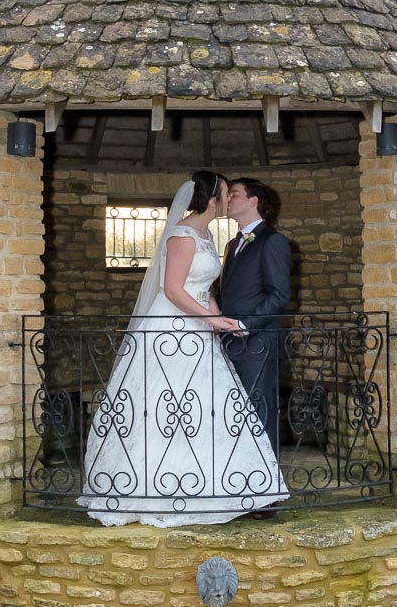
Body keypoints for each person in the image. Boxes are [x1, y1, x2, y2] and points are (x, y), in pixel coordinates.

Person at [77, 171, 289, 526]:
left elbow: (205, 290)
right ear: (212, 199)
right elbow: (174, 290)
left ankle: (221, 482)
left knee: (209, 407)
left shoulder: (209, 236)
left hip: (203, 329)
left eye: (234, 194)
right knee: (164, 402)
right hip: (172, 327)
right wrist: (214, 321)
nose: (228, 200)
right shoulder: (183, 233)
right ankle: (153, 484)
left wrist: (218, 320)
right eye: (226, 193)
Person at [217, 177, 291, 452]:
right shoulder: (231, 245)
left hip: (257, 342)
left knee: (259, 408)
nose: (228, 199)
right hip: (227, 339)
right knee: (232, 409)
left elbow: (279, 294)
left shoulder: (273, 241)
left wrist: (245, 324)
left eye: (234, 194)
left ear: (253, 201)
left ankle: (265, 475)